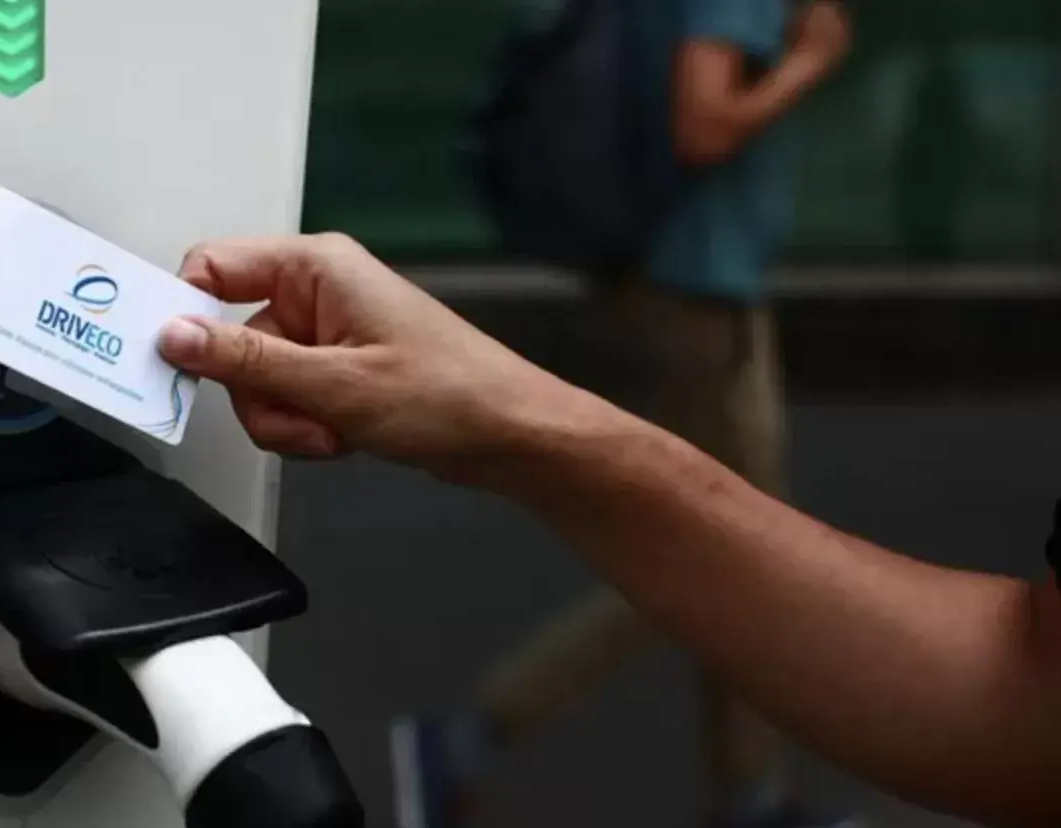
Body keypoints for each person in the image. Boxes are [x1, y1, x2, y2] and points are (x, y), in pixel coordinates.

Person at [158, 232, 1061, 828]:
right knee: (729, 532)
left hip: (697, 293)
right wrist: (806, 63)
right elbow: (1027, 696)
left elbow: (1025, 700)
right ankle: (493, 737)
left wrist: (511, 423)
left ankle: (731, 785)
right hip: (714, 306)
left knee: (727, 539)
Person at [398, 0, 854, 825]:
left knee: (736, 550)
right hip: (700, 296)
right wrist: (810, 61)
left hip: (676, 286)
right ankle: (470, 735)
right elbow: (702, 126)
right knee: (720, 551)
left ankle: (749, 793)